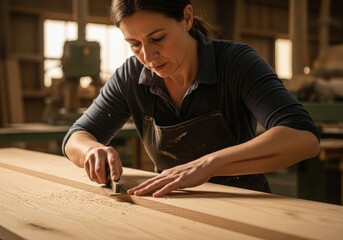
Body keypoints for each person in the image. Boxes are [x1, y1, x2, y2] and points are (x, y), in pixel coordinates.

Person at [62, 0, 320, 197]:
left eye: (158, 38)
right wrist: (92, 150)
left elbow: (303, 137)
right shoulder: (132, 75)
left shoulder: (235, 63)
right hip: (170, 208)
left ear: (186, 18)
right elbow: (77, 136)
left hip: (245, 206)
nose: (149, 56)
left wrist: (210, 164)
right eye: (135, 44)